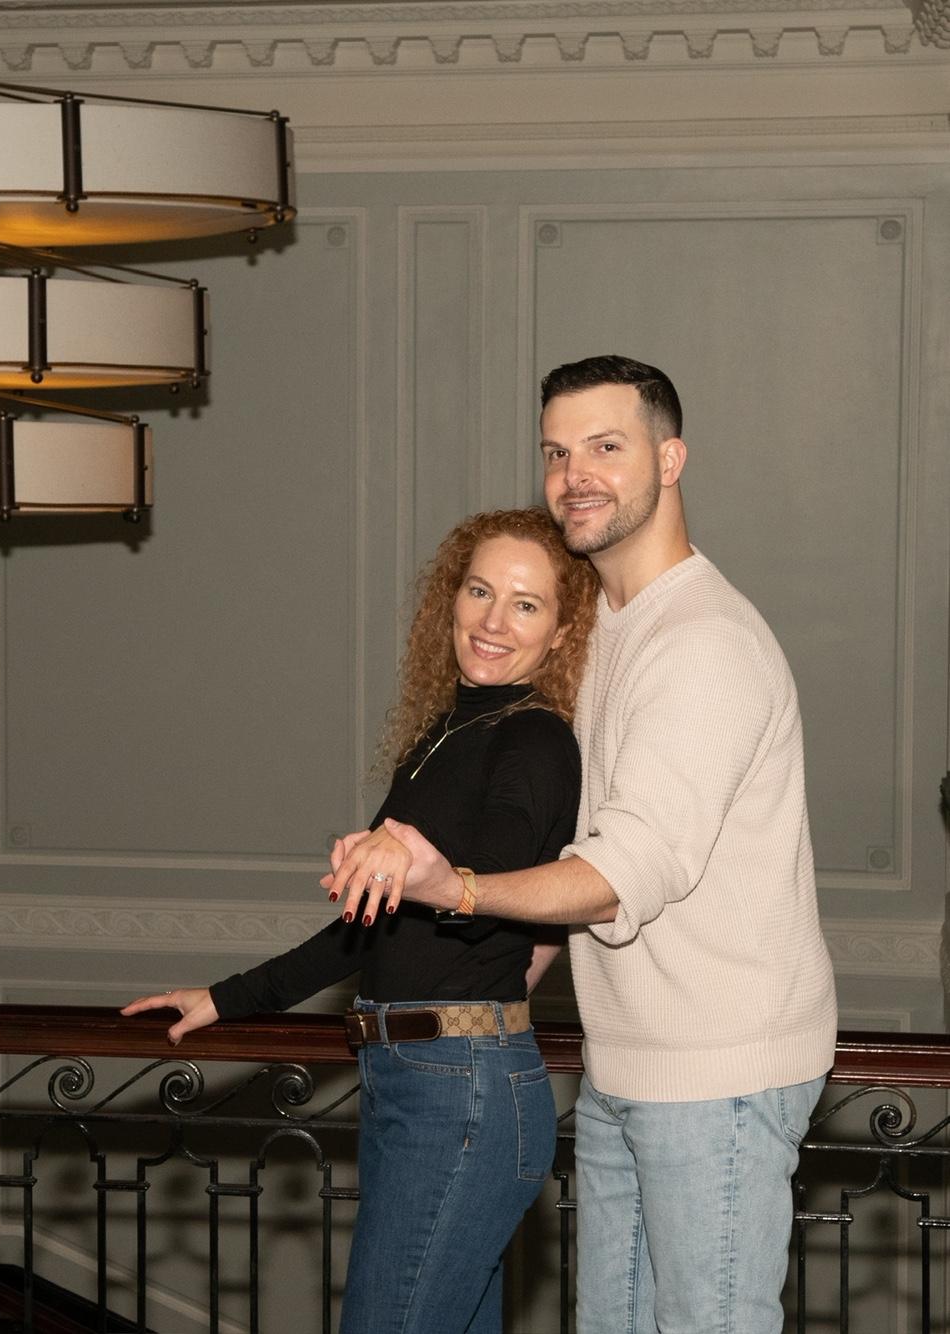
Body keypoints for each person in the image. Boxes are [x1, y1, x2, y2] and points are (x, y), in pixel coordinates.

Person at [328, 355, 838, 1334]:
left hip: (720, 1075)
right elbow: (580, 837)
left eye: (605, 446)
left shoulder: (703, 642)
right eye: (556, 451)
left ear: (670, 458)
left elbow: (619, 875)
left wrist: (455, 886)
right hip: (624, 1063)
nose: (575, 475)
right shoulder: (598, 628)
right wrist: (502, 976)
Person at [123, 507, 599, 1334]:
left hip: (461, 1087)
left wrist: (431, 870)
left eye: (526, 604)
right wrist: (228, 997)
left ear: (561, 634)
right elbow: (364, 928)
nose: (493, 620)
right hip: (414, 1078)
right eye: (480, 591)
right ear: (451, 599)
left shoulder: (534, 740)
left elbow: (496, 877)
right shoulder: (446, 733)